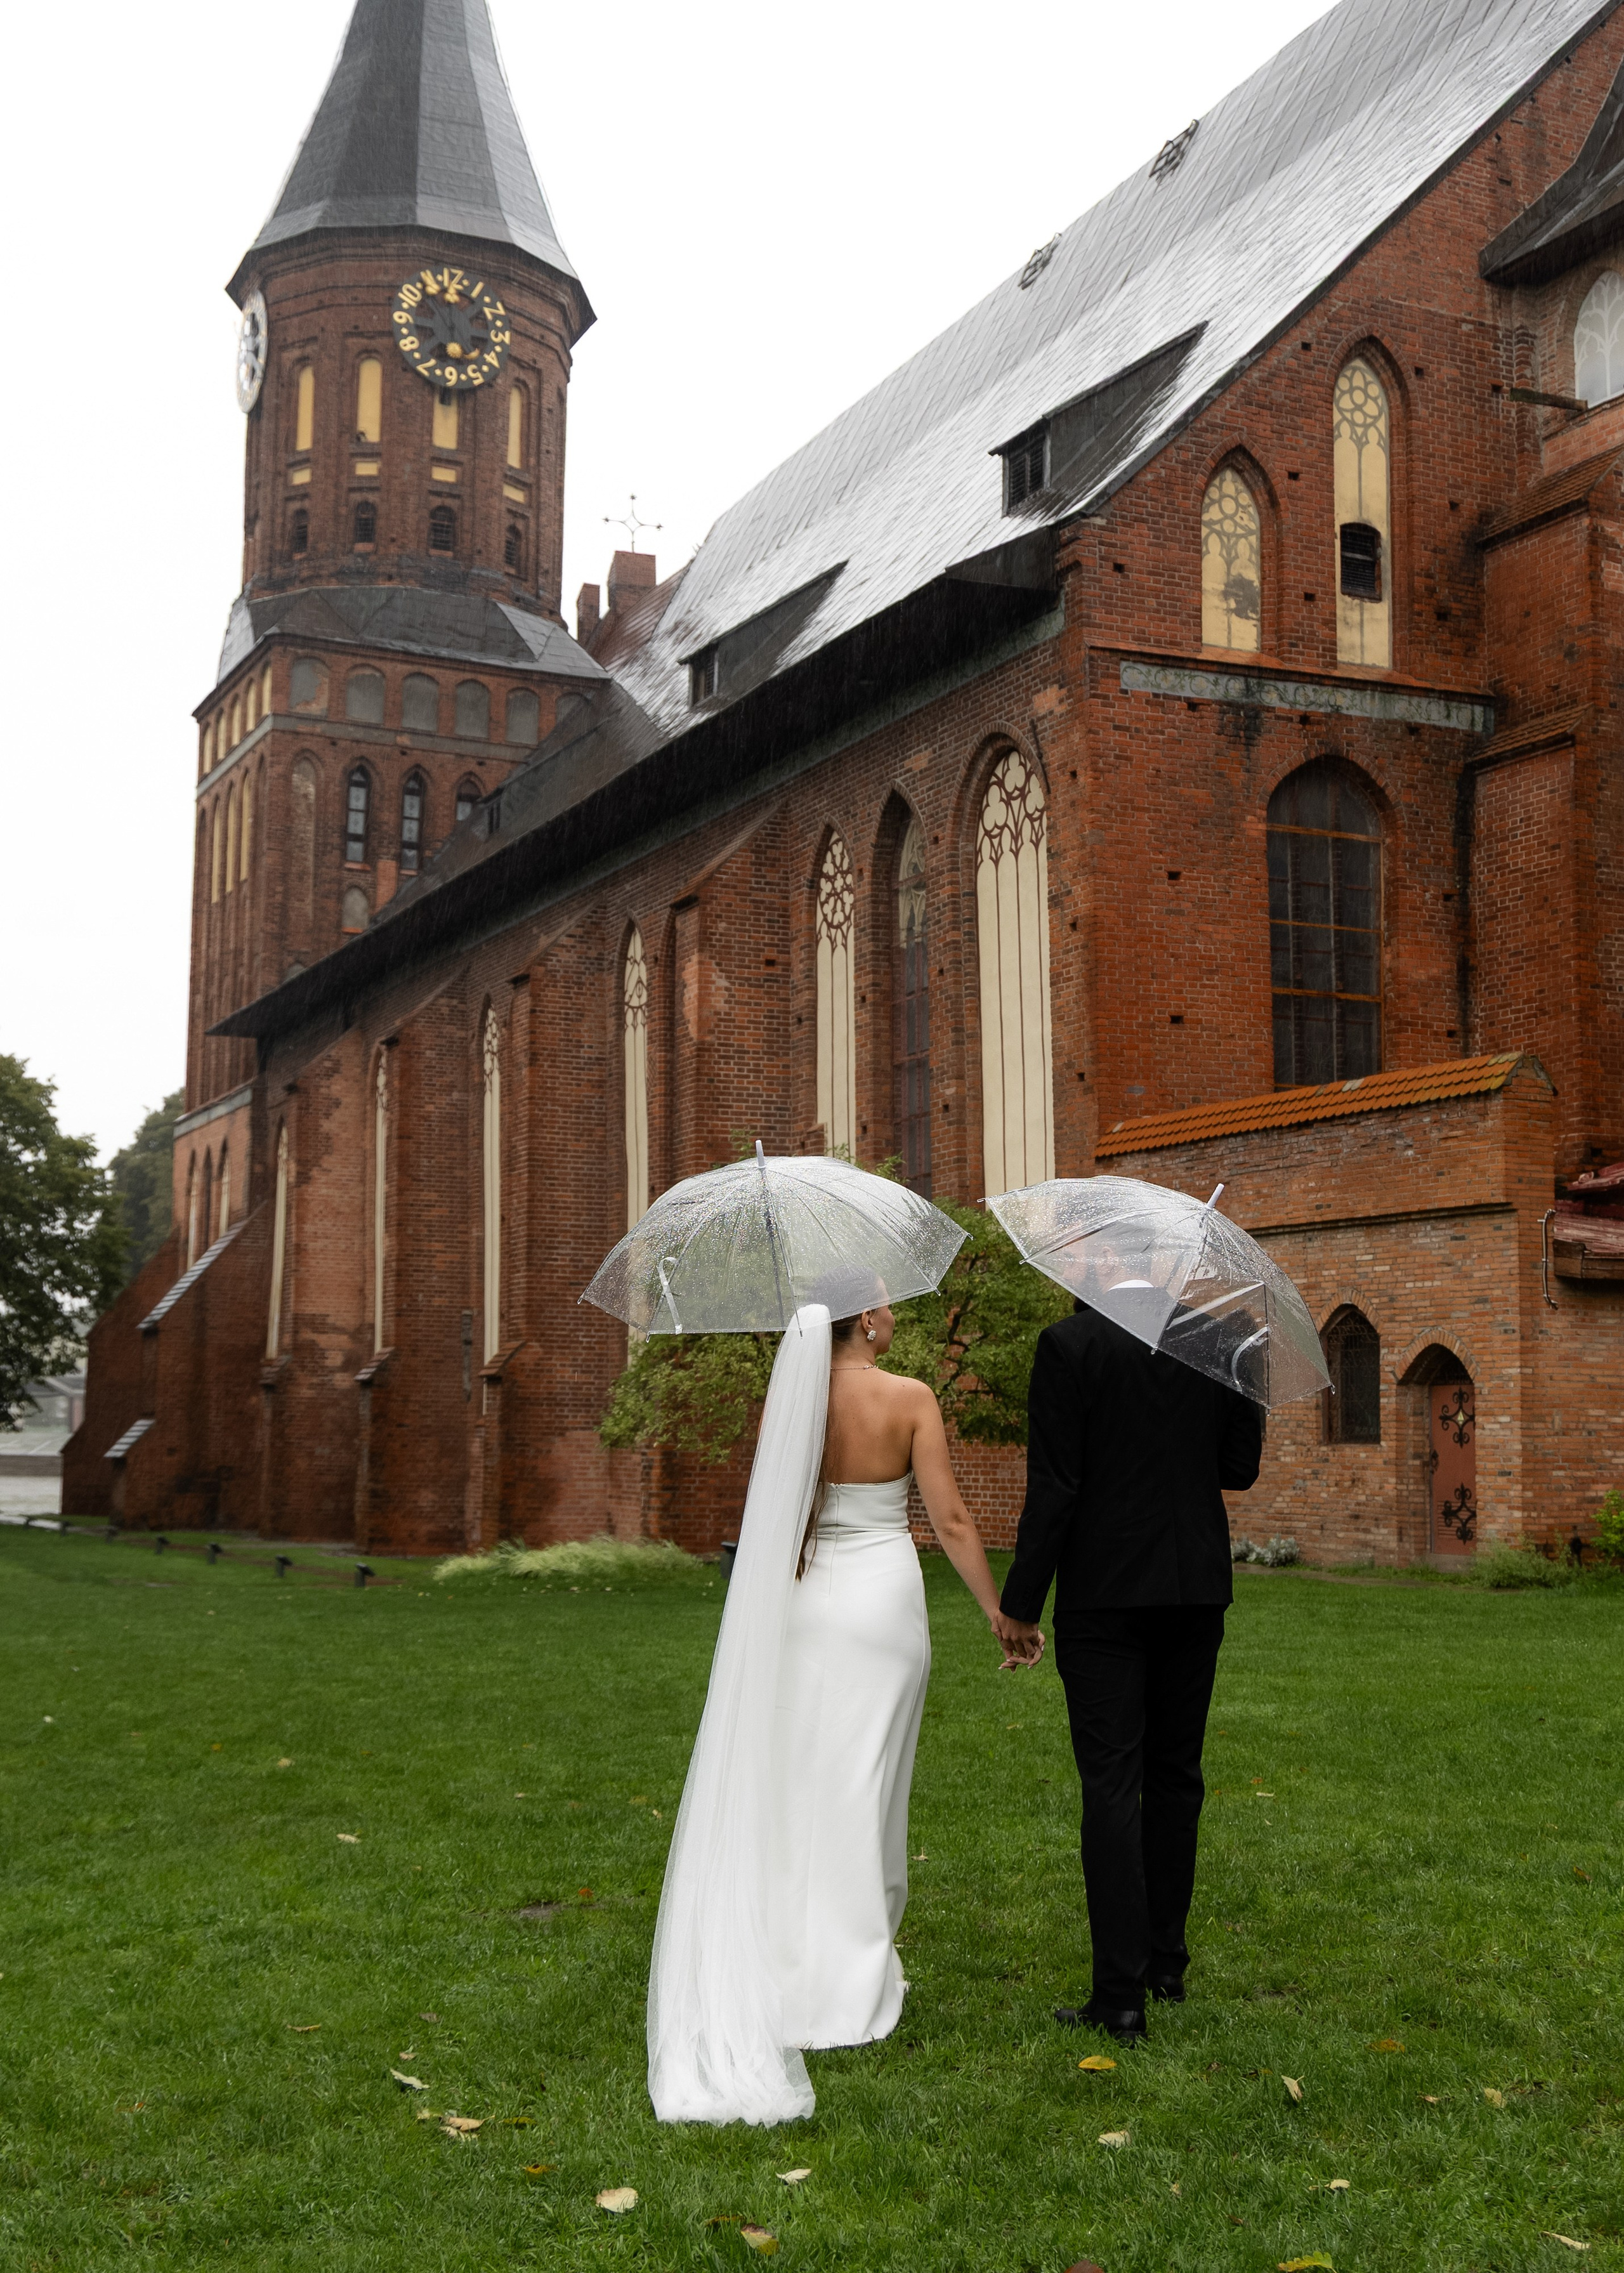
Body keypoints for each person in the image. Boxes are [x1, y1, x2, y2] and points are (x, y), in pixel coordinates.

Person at [648, 1283, 1037, 2126]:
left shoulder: (794, 1398)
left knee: (807, 1782)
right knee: (870, 1783)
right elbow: (955, 1518)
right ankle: (855, 1973)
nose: (897, 1315)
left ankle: (797, 1958)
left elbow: (779, 1517)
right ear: (866, 1319)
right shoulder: (910, 1397)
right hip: (881, 1606)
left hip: (806, 1604)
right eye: (889, 1305)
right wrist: (999, 1611)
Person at [998, 1301, 1264, 2045]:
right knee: (1176, 1773)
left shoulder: (1068, 1344)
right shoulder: (1223, 1339)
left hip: (1106, 1591)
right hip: (1193, 1585)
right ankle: (1165, 1964)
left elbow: (1056, 1484)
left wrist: (1021, 1604)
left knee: (1112, 1781)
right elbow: (1238, 1467)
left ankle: (1120, 1995)